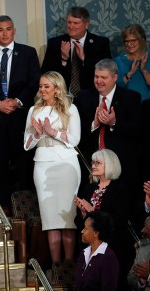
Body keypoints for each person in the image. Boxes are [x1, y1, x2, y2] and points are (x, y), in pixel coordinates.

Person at [0, 15, 41, 211]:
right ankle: (3, 206)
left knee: (23, 164)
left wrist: (17, 101)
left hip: (20, 118)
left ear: (14, 31)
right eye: (0, 29)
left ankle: (24, 208)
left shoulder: (28, 53)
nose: (4, 33)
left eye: (8, 29)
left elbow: (34, 82)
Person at [23, 71, 81, 283]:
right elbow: (26, 144)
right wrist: (38, 133)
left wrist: (52, 131)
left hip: (66, 165)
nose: (42, 90)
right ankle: (56, 269)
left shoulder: (70, 108)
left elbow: (75, 139)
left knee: (67, 218)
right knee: (50, 219)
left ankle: (68, 266)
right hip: (43, 165)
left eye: (47, 86)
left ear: (57, 88)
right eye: (41, 86)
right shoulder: (33, 110)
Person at [74, 59, 142, 206]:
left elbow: (138, 130)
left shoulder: (131, 98)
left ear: (115, 77)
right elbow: (76, 132)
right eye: (96, 76)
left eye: (103, 77)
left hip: (121, 168)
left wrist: (114, 123)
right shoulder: (83, 97)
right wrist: (95, 124)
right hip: (91, 168)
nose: (98, 81)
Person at [74, 149, 132, 290]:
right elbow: (78, 222)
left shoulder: (120, 190)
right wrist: (83, 215)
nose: (93, 165)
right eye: (93, 162)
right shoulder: (88, 189)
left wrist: (93, 211)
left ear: (110, 165)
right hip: (89, 247)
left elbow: (120, 219)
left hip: (113, 246)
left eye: (98, 163)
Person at [41, 6, 111, 96]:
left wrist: (84, 58)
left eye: (76, 23)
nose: (71, 26)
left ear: (86, 25)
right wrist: (63, 59)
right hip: (62, 98)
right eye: (69, 22)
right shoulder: (55, 43)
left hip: (90, 97)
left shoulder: (100, 43)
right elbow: (46, 74)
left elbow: (107, 72)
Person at [74, 211, 119, 291]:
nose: (82, 231)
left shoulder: (108, 258)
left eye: (86, 228)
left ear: (95, 233)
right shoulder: (83, 253)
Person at [114, 24, 150, 102]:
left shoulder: (148, 59)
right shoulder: (119, 61)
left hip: (147, 105)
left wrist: (144, 70)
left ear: (142, 40)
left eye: (133, 40)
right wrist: (130, 73)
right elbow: (116, 87)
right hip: (127, 105)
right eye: (126, 41)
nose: (129, 44)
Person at [128, 216, 150, 290]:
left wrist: (148, 276)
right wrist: (141, 282)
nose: (142, 230)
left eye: (147, 228)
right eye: (144, 226)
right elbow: (130, 278)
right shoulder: (142, 249)